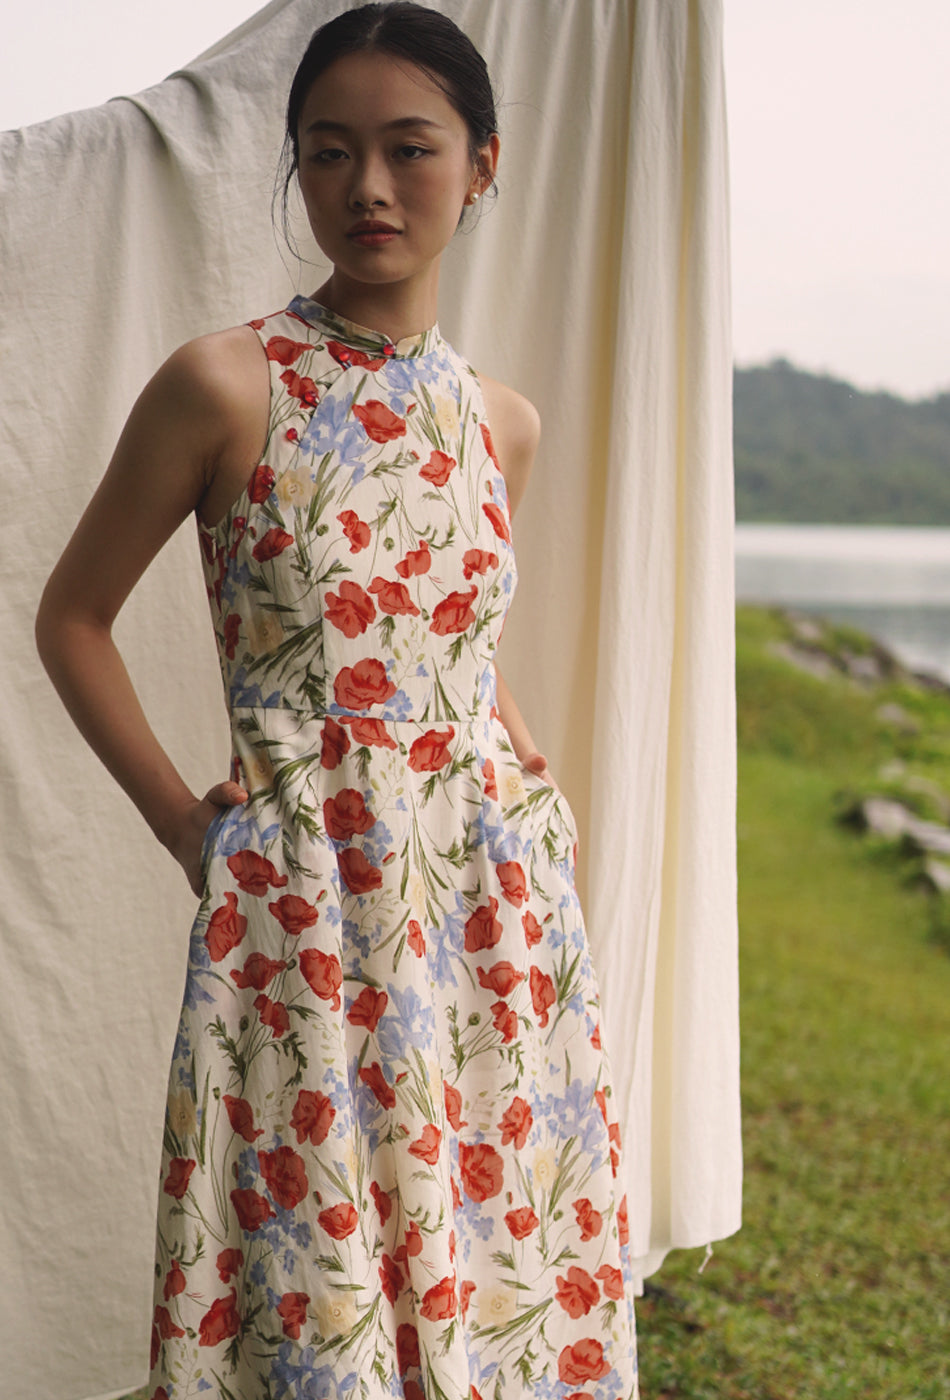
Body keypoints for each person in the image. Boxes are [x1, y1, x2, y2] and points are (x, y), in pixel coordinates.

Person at [35, 4, 639, 1397]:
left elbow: (460, 645)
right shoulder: (222, 384)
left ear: (481, 165)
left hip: (488, 914)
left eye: (408, 149)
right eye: (328, 152)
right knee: (316, 1288)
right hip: (303, 906)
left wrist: (521, 770)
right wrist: (190, 828)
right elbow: (72, 618)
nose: (366, 186)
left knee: (492, 1270)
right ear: (297, 170)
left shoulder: (501, 423)